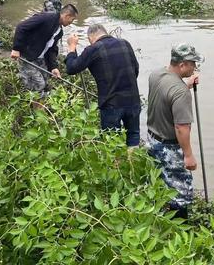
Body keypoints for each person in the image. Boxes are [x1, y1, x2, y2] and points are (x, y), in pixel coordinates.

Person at [146, 43, 203, 219]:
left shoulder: (156, 74)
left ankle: (158, 217)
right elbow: (181, 127)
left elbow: (167, 96)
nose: (195, 68)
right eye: (193, 63)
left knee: (158, 183)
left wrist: (186, 84)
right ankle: (180, 230)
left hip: (152, 140)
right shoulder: (180, 93)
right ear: (182, 64)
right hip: (170, 148)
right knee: (181, 193)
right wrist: (188, 155)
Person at [65, 24, 141, 146]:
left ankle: (116, 164)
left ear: (91, 37)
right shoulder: (125, 43)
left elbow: (71, 68)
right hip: (133, 100)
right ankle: (133, 162)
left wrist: (72, 47)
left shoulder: (93, 49)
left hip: (111, 104)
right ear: (105, 32)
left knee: (111, 142)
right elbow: (135, 70)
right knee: (133, 135)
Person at [11, 4, 78, 95]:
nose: (71, 22)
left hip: (41, 57)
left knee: (46, 81)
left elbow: (52, 50)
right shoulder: (46, 17)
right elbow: (21, 27)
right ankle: (36, 107)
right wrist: (16, 48)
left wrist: (53, 67)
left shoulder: (59, 31)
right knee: (39, 84)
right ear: (67, 16)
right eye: (72, 20)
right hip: (28, 56)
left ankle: (40, 104)